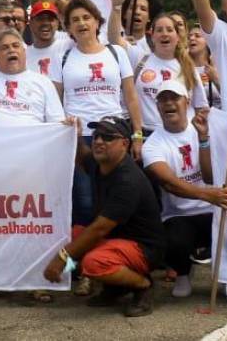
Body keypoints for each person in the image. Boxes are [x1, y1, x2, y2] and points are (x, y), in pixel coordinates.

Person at [42, 115, 163, 318]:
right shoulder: (101, 162)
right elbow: (81, 155)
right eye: (97, 135)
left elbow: (100, 228)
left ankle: (143, 285)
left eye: (107, 137)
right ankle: (115, 287)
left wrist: (62, 258)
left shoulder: (128, 180)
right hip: (115, 241)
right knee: (70, 235)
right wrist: (76, 134)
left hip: (143, 249)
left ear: (125, 144)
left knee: (92, 262)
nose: (99, 141)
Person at [51, 0, 143, 231]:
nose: (81, 23)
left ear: (96, 21)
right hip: (78, 138)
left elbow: (131, 97)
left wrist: (137, 135)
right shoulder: (62, 57)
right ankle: (81, 259)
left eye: (86, 17)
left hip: (114, 134)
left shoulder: (116, 53)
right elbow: (55, 100)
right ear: (68, 27)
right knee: (84, 200)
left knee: (116, 196)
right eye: (75, 20)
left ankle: (113, 252)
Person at [140, 81, 227, 298]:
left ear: (187, 102)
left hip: (213, 208)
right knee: (174, 241)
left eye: (174, 98)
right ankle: (182, 273)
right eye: (163, 100)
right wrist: (207, 195)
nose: (169, 103)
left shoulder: (206, 128)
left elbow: (210, 177)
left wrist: (203, 139)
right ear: (157, 107)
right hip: (180, 213)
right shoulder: (152, 144)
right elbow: (170, 183)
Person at [126, 11, 209, 133]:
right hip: (147, 134)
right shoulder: (139, 59)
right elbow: (114, 39)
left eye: (169, 30)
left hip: (181, 136)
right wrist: (117, 8)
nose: (164, 34)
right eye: (159, 30)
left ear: (177, 37)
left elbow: (200, 107)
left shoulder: (188, 67)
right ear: (152, 35)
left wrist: (199, 137)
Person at [25, 0, 70, 78]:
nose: (45, 23)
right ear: (31, 23)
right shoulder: (23, 55)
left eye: (50, 19)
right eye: (40, 19)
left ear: (57, 23)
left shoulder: (69, 46)